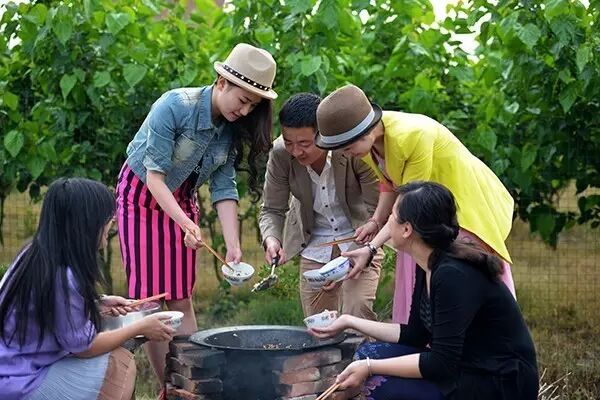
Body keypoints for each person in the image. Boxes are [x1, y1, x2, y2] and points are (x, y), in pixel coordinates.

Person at [115, 43, 277, 386]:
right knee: (151, 301)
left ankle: (192, 384)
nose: (245, 111)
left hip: (181, 198)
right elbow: (155, 178)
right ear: (222, 82)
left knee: (180, 296)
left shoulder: (230, 129)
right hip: (142, 196)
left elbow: (224, 188)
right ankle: (168, 387)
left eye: (253, 105)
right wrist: (187, 223)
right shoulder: (175, 106)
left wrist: (233, 246)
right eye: (242, 100)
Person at [310, 181, 538, 400]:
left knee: (378, 383)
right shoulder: (429, 262)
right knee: (367, 353)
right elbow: (415, 335)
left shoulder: (452, 275)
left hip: (498, 380)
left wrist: (370, 367)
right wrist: (348, 321)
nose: (388, 221)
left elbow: (441, 363)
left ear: (407, 229)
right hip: (465, 364)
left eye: (392, 216)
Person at [314, 84, 516, 324]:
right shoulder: (368, 145)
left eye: (347, 147)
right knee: (417, 284)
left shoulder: (413, 135)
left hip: (460, 212)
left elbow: (407, 202)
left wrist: (371, 248)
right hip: (422, 218)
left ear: (366, 131)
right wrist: (375, 221)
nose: (347, 154)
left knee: (463, 285)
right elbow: (390, 183)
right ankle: (422, 341)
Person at [0, 177, 175, 400]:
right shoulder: (63, 276)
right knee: (119, 363)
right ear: (86, 225)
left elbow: (50, 308)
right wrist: (140, 327)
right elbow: (84, 347)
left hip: (10, 369)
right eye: (107, 220)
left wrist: (97, 302)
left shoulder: (35, 254)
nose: (111, 225)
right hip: (20, 383)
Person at [259, 93, 383, 319]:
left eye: (304, 144)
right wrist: (272, 239)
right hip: (315, 244)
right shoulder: (280, 155)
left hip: (360, 238)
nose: (296, 151)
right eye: (289, 142)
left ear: (323, 134)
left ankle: (363, 345)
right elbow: (272, 209)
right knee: (318, 322)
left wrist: (350, 259)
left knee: (357, 310)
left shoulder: (352, 148)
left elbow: (376, 210)